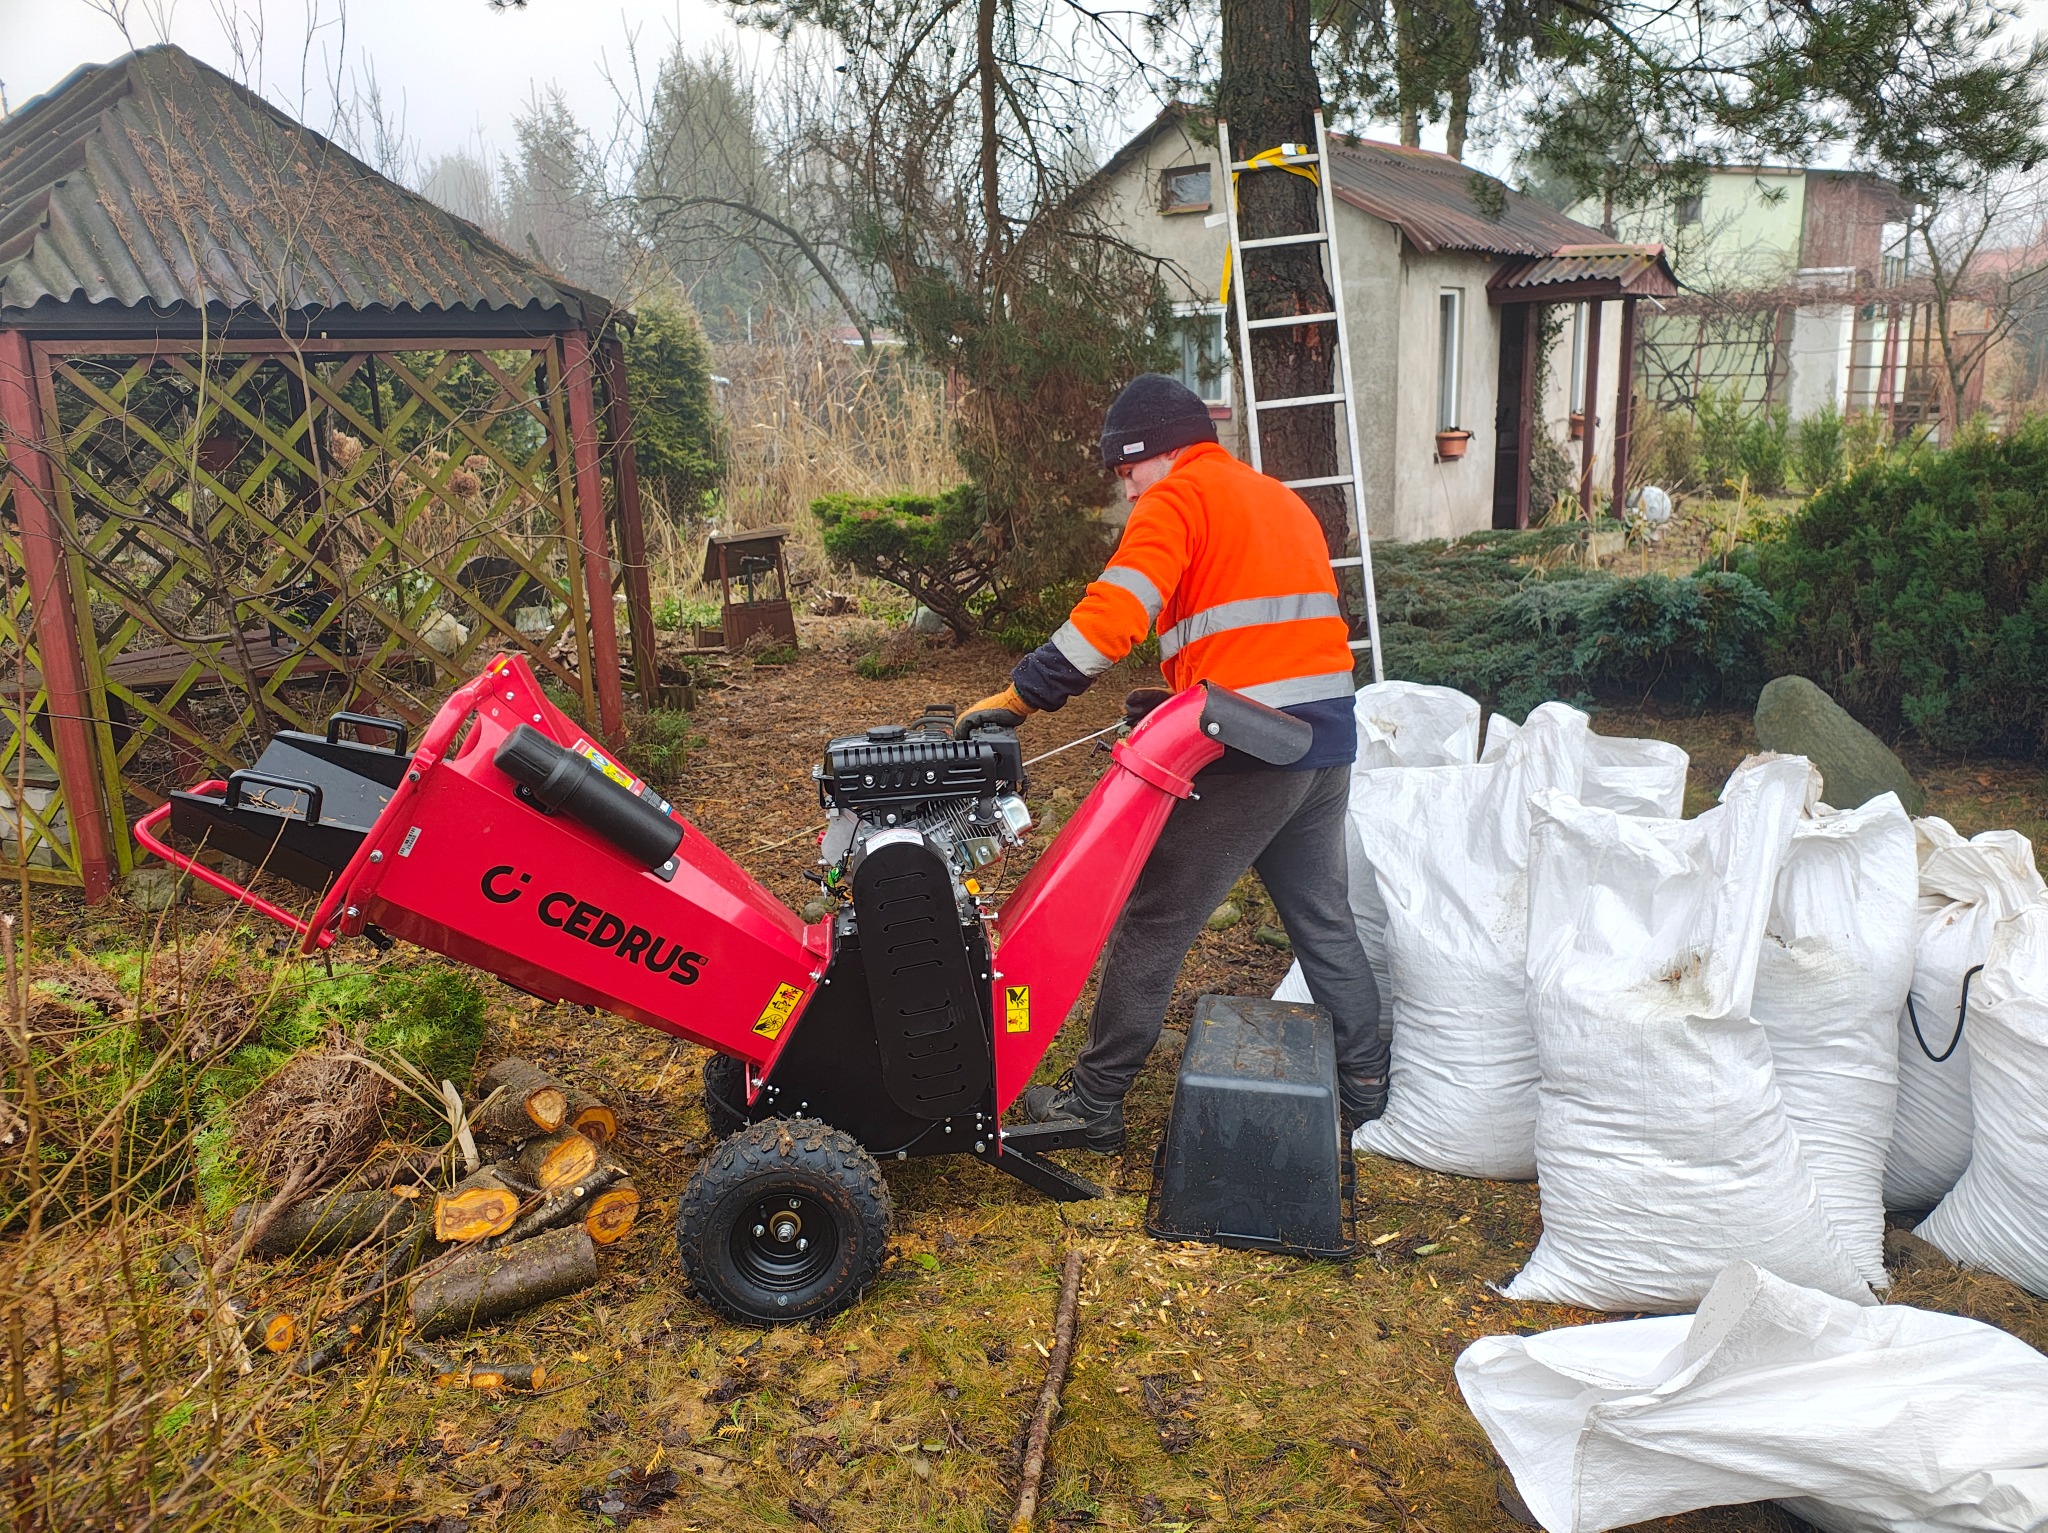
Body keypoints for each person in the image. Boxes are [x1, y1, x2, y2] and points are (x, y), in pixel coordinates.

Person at [957, 373, 1385, 1152]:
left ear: (1156, 452)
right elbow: (1268, 637)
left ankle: (1093, 1102)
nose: (1127, 493)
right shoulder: (1278, 499)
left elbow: (1114, 615)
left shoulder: (1178, 498)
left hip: (1250, 753)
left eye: (1126, 473)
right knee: (1324, 920)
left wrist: (1021, 696)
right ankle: (1365, 1089)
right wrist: (1174, 697)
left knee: (1154, 919)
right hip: (1324, 747)